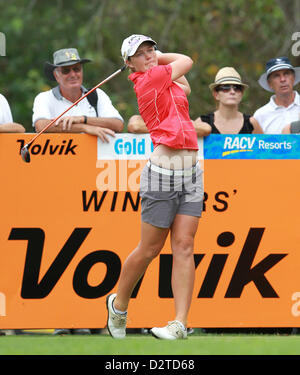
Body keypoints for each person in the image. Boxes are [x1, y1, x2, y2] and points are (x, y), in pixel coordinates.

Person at [106, 34, 204, 340]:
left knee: (185, 247)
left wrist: (154, 57)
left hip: (192, 172)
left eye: (151, 48)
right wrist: (159, 58)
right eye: (141, 52)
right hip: (163, 173)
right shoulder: (147, 81)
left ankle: (179, 323)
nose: (150, 54)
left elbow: (184, 82)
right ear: (129, 63)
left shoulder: (164, 80)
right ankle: (119, 304)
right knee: (149, 249)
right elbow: (186, 60)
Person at [32, 48, 124, 140]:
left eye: (77, 69)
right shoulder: (44, 98)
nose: (73, 74)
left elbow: (118, 124)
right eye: (66, 71)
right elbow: (41, 125)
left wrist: (83, 119)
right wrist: (84, 127)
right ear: (56, 76)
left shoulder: (97, 94)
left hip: (94, 153)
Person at [193, 67, 263, 135]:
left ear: (241, 94)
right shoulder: (202, 122)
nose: (232, 92)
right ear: (216, 94)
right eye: (226, 88)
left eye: (237, 88)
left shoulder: (251, 123)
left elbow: (263, 145)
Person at [252, 57, 300, 134]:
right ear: (269, 83)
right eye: (276, 76)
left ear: (293, 78)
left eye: (286, 74)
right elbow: (258, 145)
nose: (283, 79)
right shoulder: (260, 115)